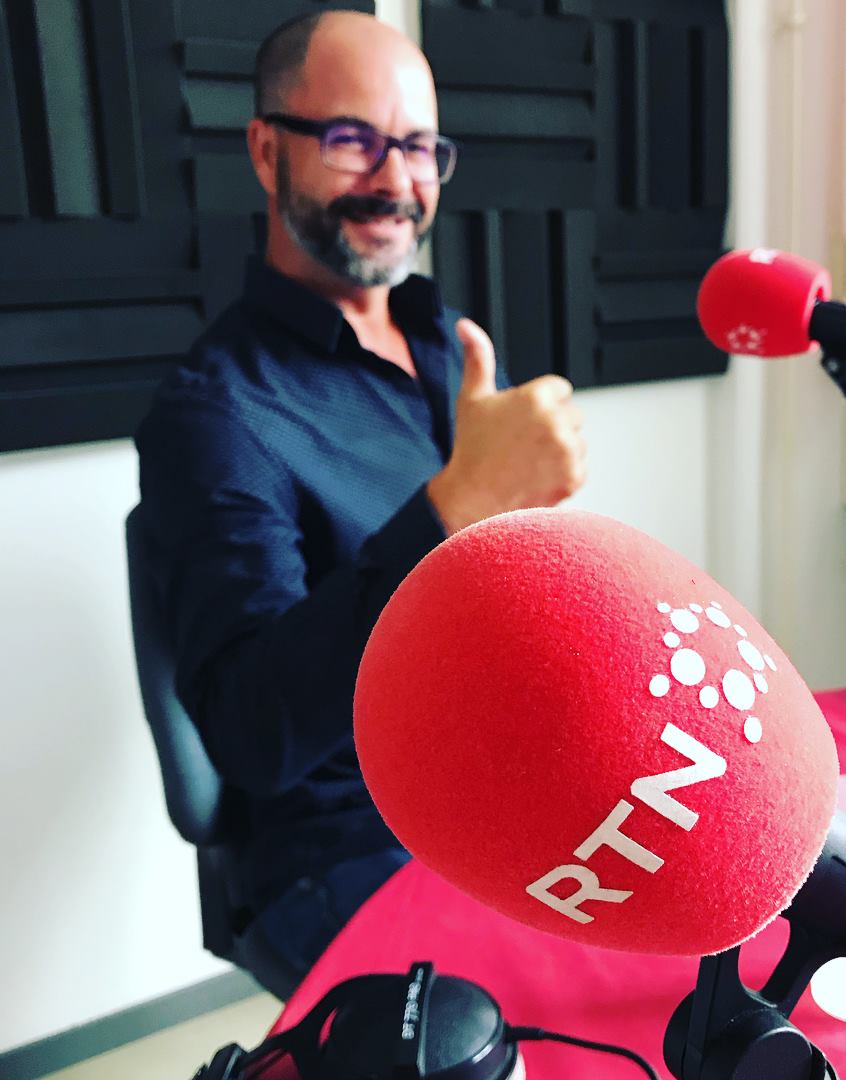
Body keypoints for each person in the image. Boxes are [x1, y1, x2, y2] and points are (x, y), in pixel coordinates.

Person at [134, 10, 586, 998]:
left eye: (419, 146)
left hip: (498, 783)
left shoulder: (445, 340)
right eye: (352, 139)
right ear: (267, 151)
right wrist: (451, 509)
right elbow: (253, 737)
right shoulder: (213, 415)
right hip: (342, 845)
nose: (394, 179)